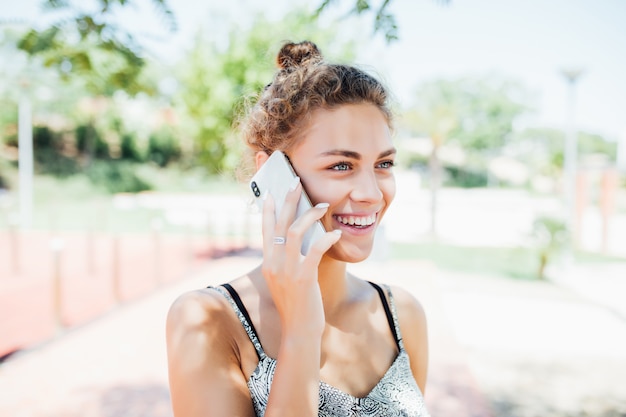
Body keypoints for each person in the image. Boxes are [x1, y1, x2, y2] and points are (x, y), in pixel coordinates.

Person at [166, 40, 430, 417]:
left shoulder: (403, 314)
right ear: (273, 174)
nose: (372, 194)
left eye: (384, 164)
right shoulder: (207, 319)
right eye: (341, 165)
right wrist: (303, 333)